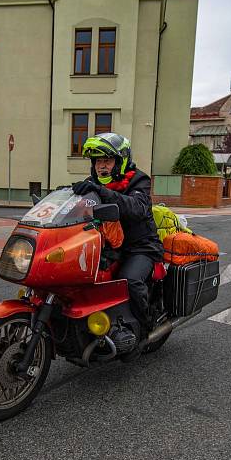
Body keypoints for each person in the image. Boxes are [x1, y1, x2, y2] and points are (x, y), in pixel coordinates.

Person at [71, 132, 163, 358]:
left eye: (107, 161)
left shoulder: (138, 180)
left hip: (141, 247)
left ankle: (144, 328)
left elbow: (137, 208)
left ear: (120, 161)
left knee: (130, 280)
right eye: (98, 161)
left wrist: (104, 192)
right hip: (109, 246)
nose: (102, 166)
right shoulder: (92, 184)